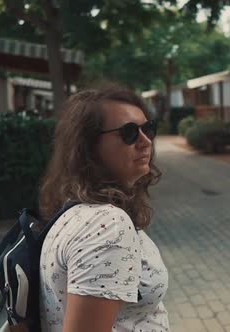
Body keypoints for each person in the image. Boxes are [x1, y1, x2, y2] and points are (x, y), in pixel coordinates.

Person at [37, 86, 169, 332]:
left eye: (148, 129)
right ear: (88, 147)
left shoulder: (76, 209)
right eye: (129, 133)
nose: (145, 141)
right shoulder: (107, 225)